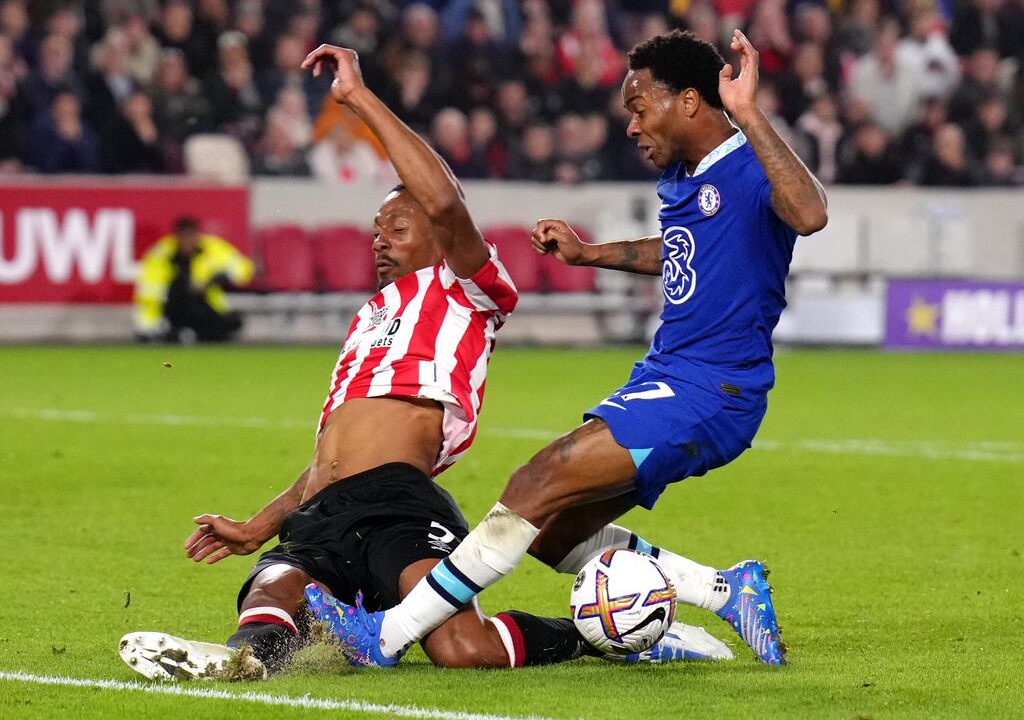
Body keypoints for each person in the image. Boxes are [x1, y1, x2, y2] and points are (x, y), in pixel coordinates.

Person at [119, 43, 731, 681]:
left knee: (460, 650)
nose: (380, 241)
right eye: (375, 233)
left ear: (439, 236)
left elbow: (442, 200)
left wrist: (359, 100)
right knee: (273, 589)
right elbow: (331, 456)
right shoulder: (370, 318)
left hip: (401, 507)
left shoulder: (469, 288)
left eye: (396, 228)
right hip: (322, 510)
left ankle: (607, 637)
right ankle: (246, 662)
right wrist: (257, 525)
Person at [312, 29, 828, 669]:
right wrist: (591, 254)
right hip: (669, 375)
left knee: (535, 480)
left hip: (710, 389)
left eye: (640, 108)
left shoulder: (752, 162)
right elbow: (678, 253)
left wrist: (750, 115)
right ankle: (726, 590)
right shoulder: (680, 177)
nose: (632, 126)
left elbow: (809, 214)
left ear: (691, 101)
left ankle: (384, 637)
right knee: (554, 534)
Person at [133, 217, 254, 343]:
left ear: (197, 235)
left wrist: (215, 279)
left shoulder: (213, 248)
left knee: (231, 323)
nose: (187, 241)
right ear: (176, 237)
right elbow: (149, 293)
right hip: (174, 307)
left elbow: (244, 270)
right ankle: (179, 333)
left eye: (190, 236)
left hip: (206, 304)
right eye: (183, 237)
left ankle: (190, 334)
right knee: (179, 287)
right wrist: (148, 325)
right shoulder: (162, 254)